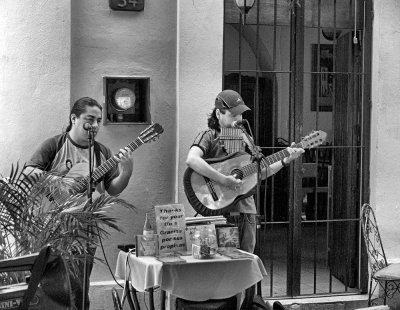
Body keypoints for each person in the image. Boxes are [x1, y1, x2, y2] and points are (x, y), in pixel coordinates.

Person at [185, 89, 304, 309]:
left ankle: (246, 306)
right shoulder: (208, 136)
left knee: (244, 270)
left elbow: (261, 172)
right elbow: (192, 160)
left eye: (240, 115)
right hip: (219, 214)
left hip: (246, 214)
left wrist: (287, 159)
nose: (238, 120)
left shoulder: (246, 140)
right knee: (217, 268)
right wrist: (224, 179)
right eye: (233, 115)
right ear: (219, 114)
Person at [24, 97, 134, 310]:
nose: (94, 125)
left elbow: (113, 189)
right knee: (49, 285)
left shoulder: (102, 153)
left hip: (85, 231)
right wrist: (59, 182)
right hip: (51, 228)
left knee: (78, 287)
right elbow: (29, 170)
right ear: (74, 118)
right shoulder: (55, 144)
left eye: (98, 121)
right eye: (89, 119)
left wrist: (127, 170)